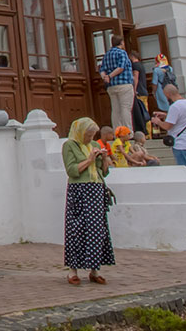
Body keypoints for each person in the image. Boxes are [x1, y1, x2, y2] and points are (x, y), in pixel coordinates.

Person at [61, 117, 115, 285]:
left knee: (96, 230)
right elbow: (72, 170)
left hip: (96, 188)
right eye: (88, 135)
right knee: (77, 229)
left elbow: (103, 172)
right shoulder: (70, 145)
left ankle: (94, 269)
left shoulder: (95, 145)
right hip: (79, 190)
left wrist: (104, 158)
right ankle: (72, 270)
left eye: (92, 135)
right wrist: (89, 160)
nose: (90, 138)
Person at [151, 84, 186, 172]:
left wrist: (158, 122)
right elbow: (182, 118)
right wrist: (166, 115)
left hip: (180, 143)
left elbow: (167, 126)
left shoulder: (174, 106)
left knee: (185, 170)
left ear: (168, 94)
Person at [99, 36, 135, 130]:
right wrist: (110, 76)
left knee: (115, 110)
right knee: (125, 108)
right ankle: (127, 131)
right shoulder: (122, 53)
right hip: (124, 84)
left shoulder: (107, 54)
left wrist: (105, 77)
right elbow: (121, 67)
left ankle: (117, 132)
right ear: (122, 42)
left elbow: (102, 69)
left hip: (111, 86)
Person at [130, 52, 151, 136]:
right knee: (145, 111)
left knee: (142, 112)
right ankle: (149, 132)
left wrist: (134, 89)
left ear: (132, 56)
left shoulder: (135, 65)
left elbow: (136, 77)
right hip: (144, 90)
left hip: (139, 91)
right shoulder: (141, 65)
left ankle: (145, 132)